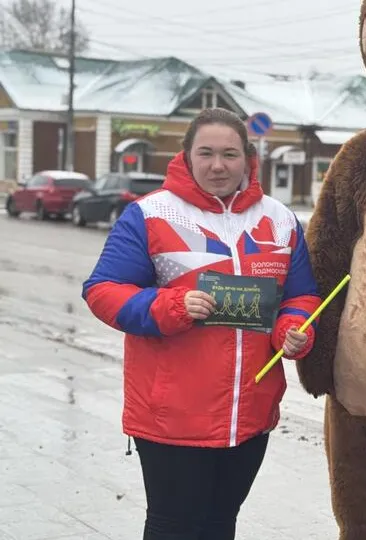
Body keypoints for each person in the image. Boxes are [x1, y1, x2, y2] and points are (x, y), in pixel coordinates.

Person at [81, 108, 322, 540]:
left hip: (249, 412)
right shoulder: (151, 214)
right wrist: (169, 306)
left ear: (247, 157)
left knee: (218, 524)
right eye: (206, 152)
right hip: (171, 414)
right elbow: (102, 291)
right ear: (187, 156)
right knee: (174, 527)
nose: (217, 165)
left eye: (229, 154)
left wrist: (293, 329)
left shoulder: (280, 219)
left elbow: (300, 296)